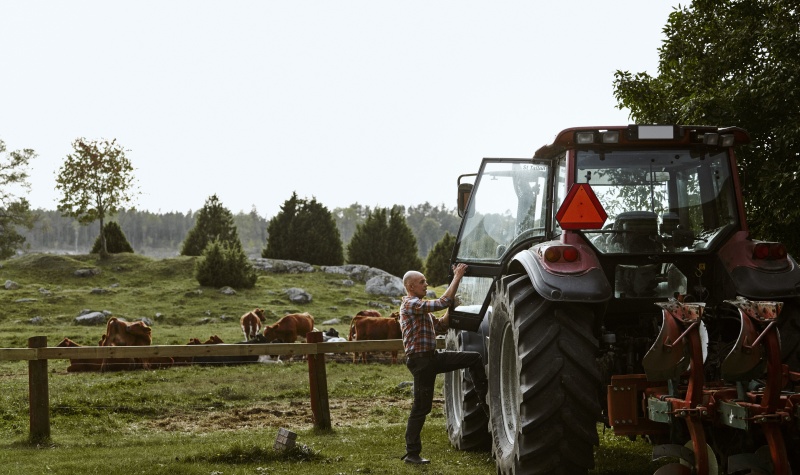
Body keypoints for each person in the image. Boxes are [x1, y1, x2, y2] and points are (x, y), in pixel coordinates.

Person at [398, 263, 488, 465]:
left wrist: (454, 307)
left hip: (432, 357)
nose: (426, 284)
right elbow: (442, 301)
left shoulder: (421, 309)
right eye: (422, 282)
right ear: (411, 286)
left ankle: (486, 403)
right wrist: (457, 277)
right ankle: (412, 453)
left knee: (473, 358)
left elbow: (440, 325)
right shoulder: (410, 304)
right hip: (421, 362)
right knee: (421, 408)